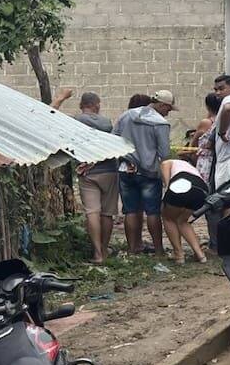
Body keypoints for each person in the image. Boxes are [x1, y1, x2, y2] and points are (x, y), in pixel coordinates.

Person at [113, 90, 176, 256]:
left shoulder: (125, 116)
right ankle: (159, 250)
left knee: (130, 211)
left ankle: (132, 248)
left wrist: (126, 158)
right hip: (149, 172)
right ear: (162, 105)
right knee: (153, 212)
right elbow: (165, 153)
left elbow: (113, 139)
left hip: (126, 169)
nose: (168, 113)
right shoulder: (160, 123)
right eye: (168, 109)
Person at [67, 92, 119, 264]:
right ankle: (104, 249)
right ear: (96, 105)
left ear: (82, 105)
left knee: (92, 212)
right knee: (107, 213)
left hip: (87, 172)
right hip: (109, 170)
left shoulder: (75, 121)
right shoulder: (106, 122)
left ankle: (97, 254)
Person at [159, 158, 208, 264]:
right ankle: (200, 254)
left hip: (181, 183)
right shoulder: (190, 167)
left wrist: (168, 188)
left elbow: (164, 164)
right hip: (201, 189)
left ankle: (179, 254)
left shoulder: (171, 162)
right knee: (182, 221)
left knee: (168, 218)